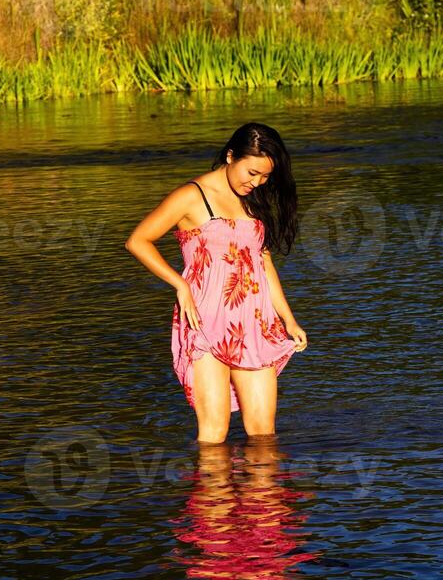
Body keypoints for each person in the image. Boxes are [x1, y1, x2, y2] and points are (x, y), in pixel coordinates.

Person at [125, 122, 307, 445]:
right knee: (214, 435)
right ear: (230, 155)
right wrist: (180, 285)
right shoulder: (190, 197)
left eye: (264, 177)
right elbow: (138, 241)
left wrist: (288, 319)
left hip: (254, 324)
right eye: (251, 172)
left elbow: (262, 262)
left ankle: (263, 497)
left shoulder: (253, 200)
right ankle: (214, 496)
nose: (257, 182)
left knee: (264, 436)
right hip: (205, 323)